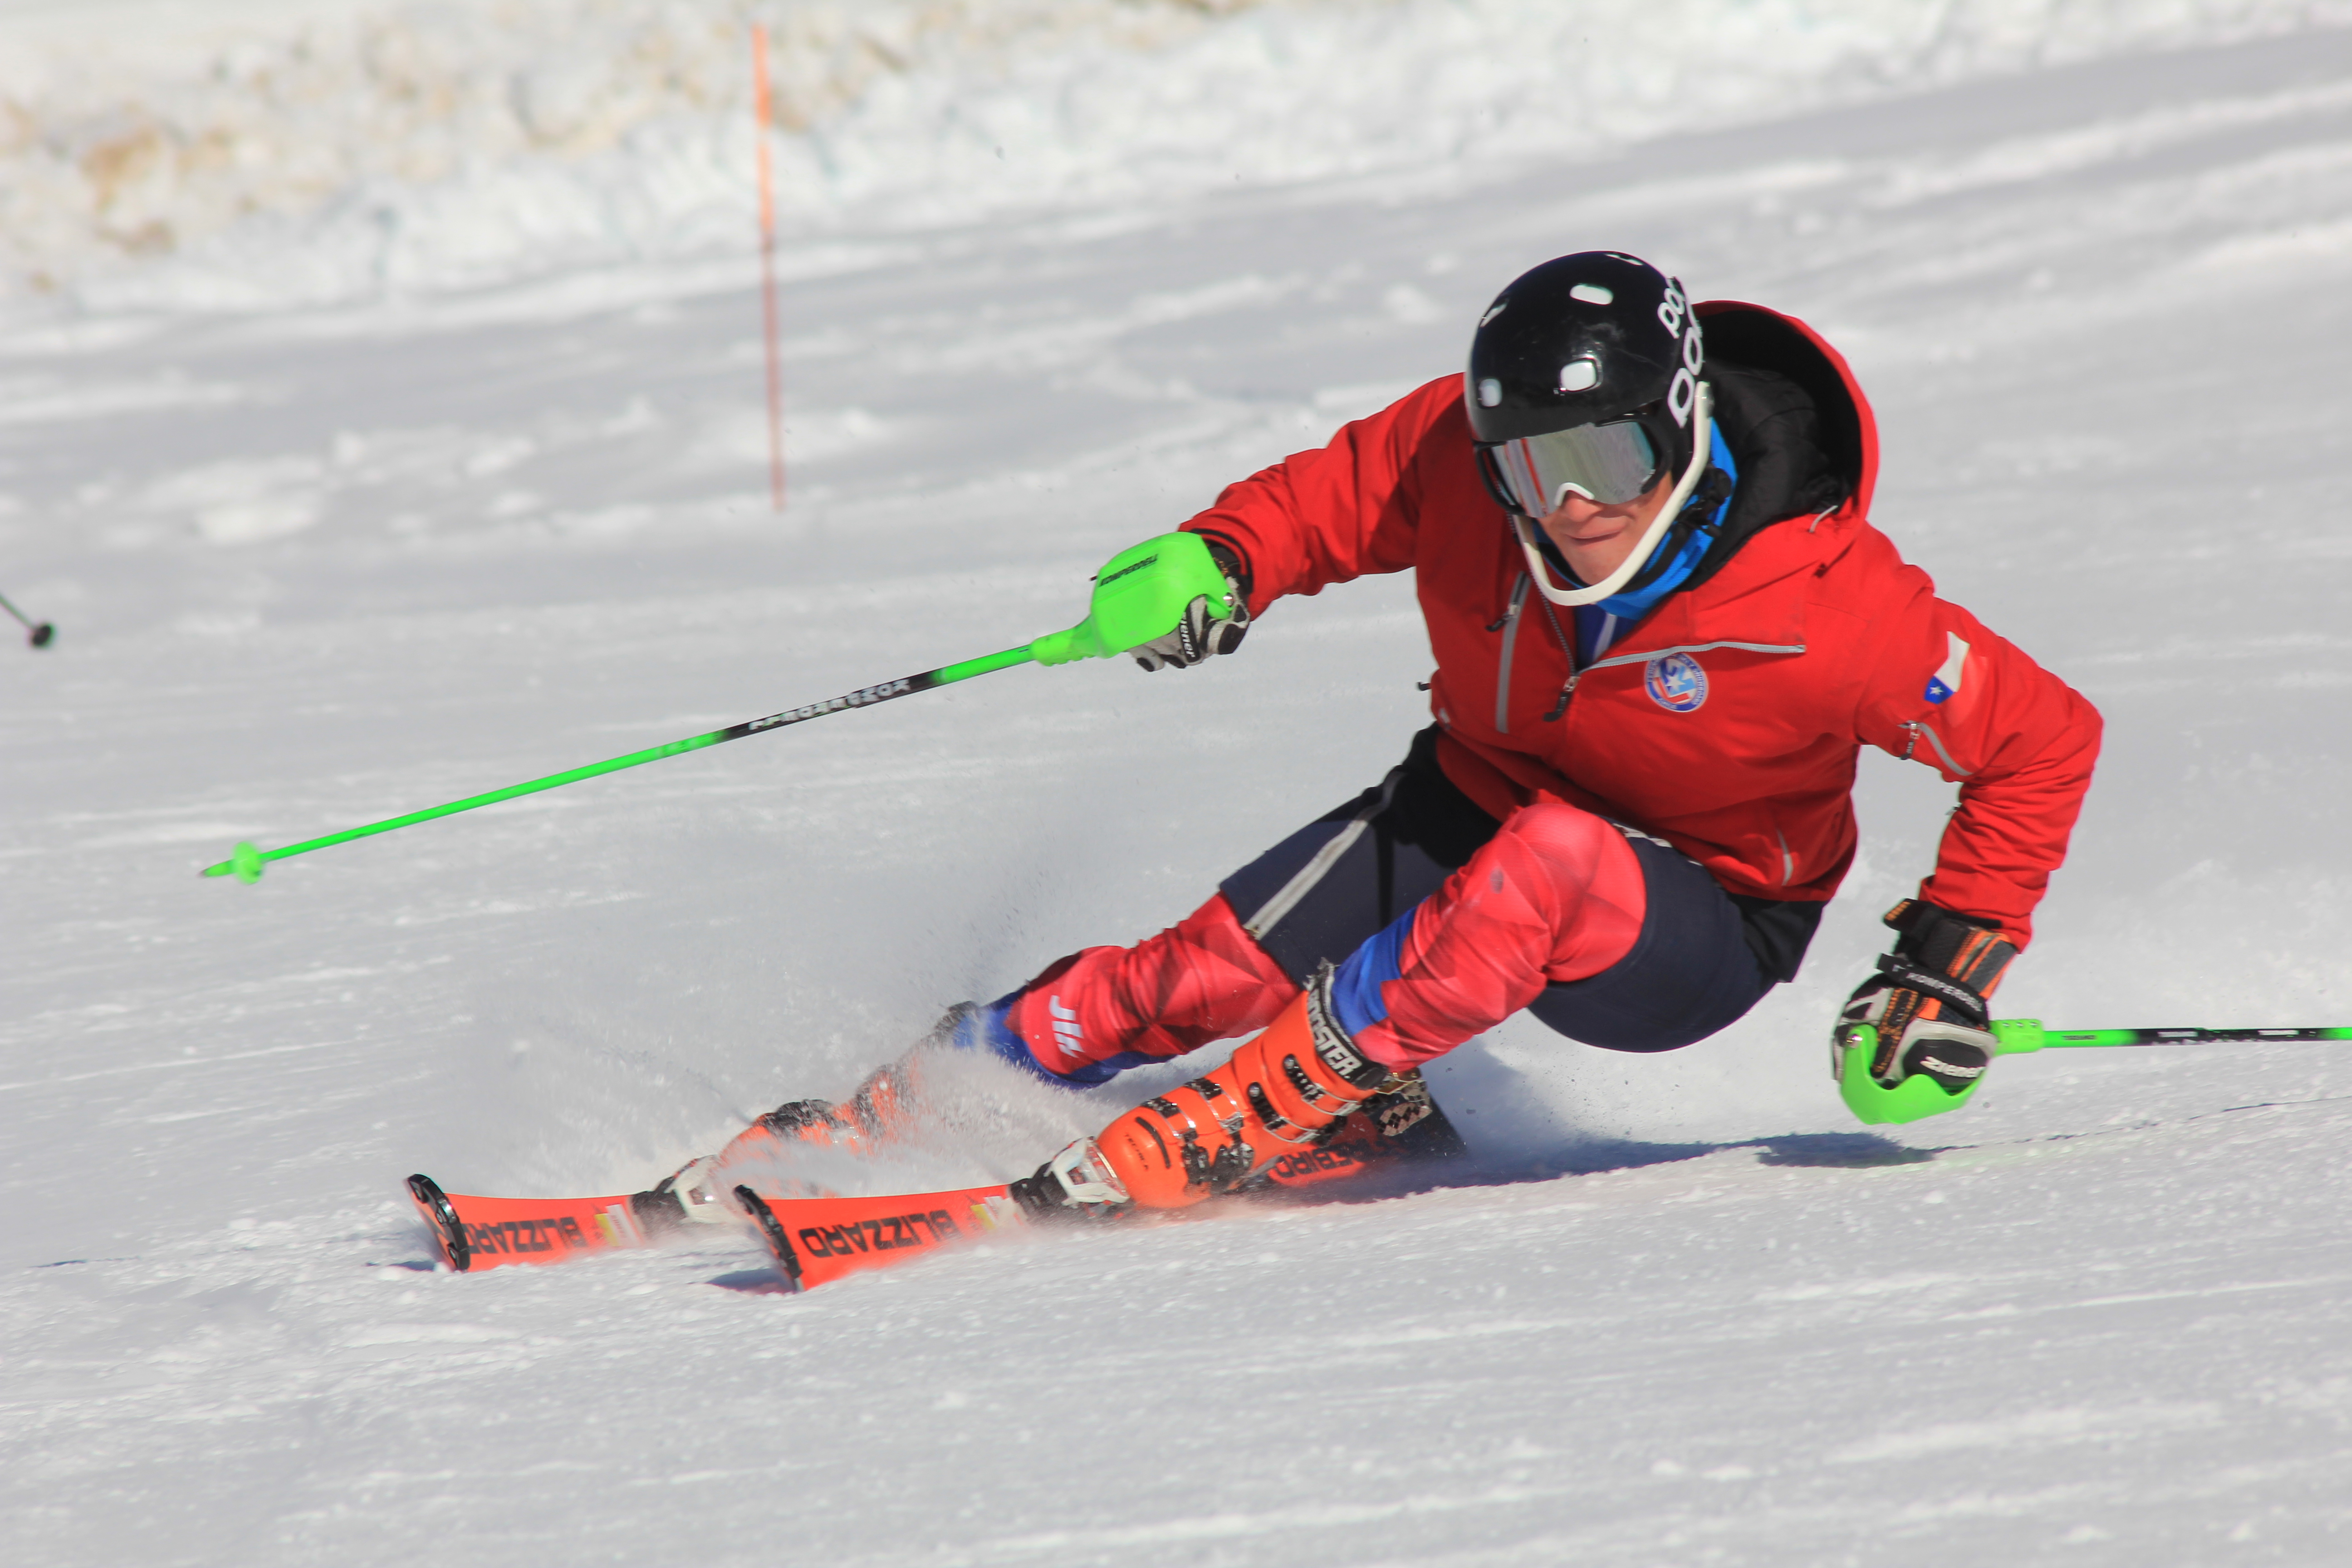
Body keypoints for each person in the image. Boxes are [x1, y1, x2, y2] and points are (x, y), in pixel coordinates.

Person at [653, 250, 2101, 1223]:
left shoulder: (1837, 607)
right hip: (1474, 792)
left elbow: (2042, 740)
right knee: (1197, 970)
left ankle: (1285, 1098)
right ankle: (937, 1087)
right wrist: (1213, 562)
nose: (1570, 502)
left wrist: (1943, 964)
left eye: (1609, 458)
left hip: (1701, 917)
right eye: (1531, 466)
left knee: (1552, 864)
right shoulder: (1463, 465)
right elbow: (1323, 501)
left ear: (1683, 421)